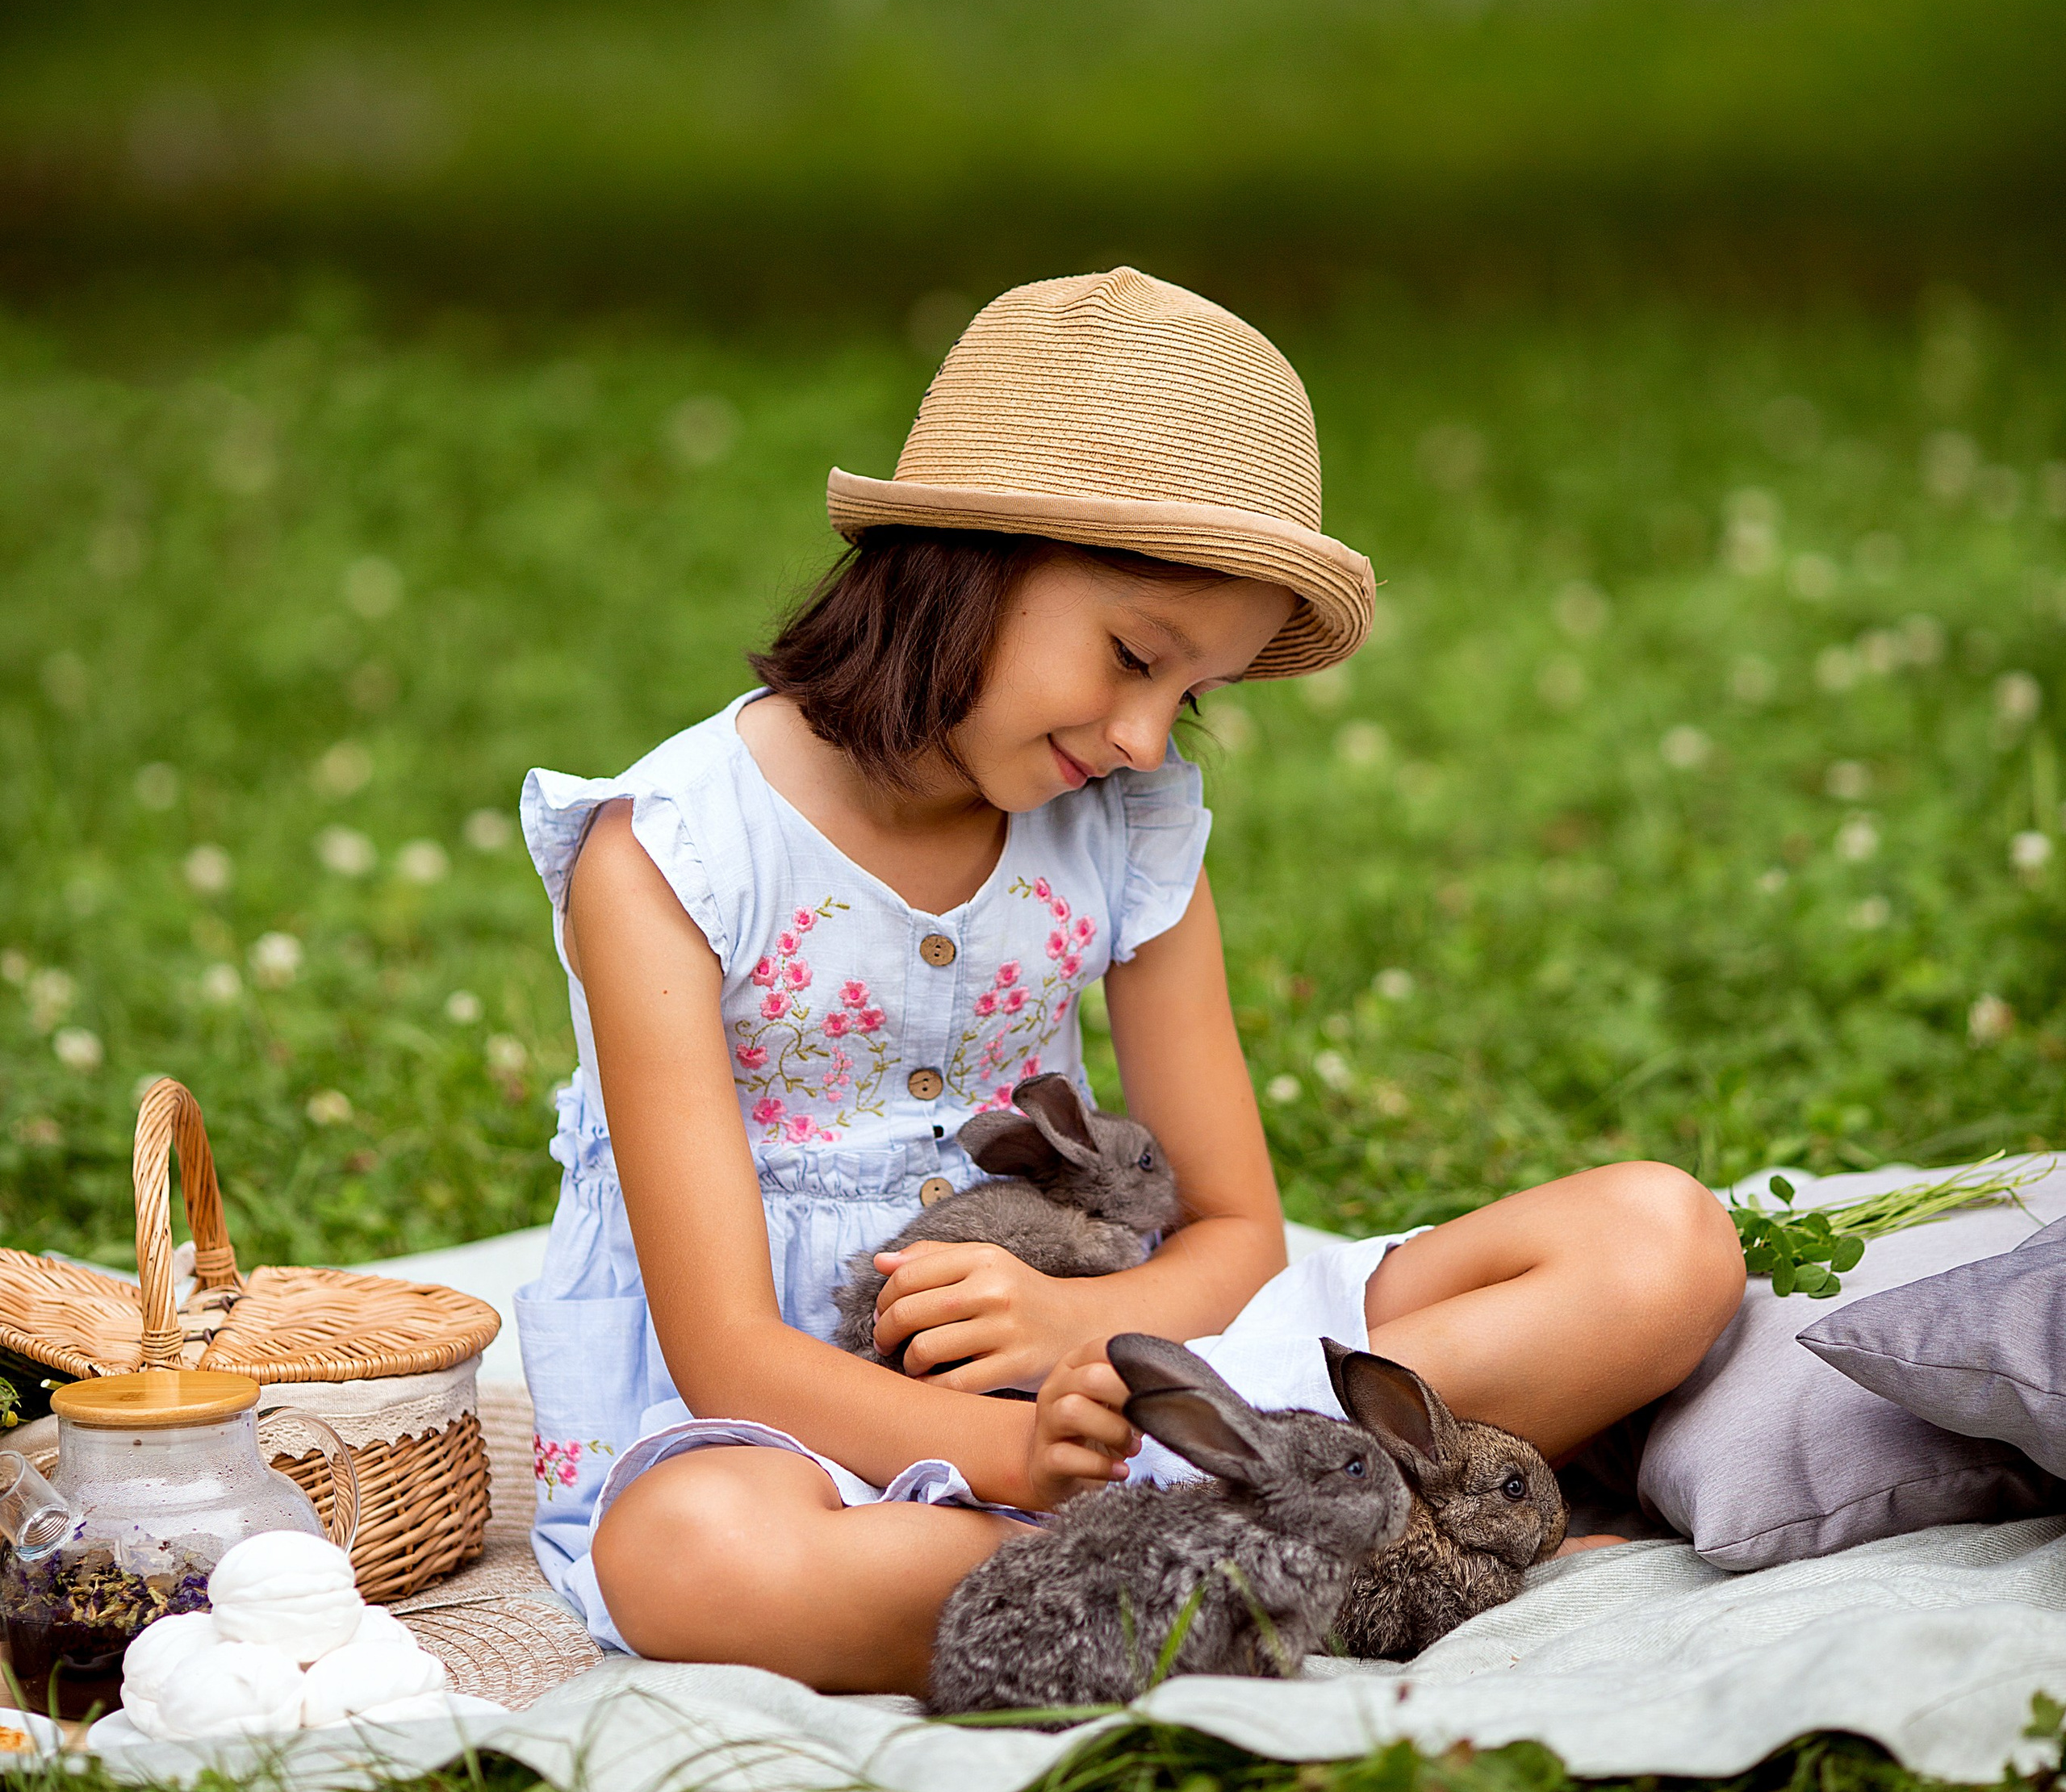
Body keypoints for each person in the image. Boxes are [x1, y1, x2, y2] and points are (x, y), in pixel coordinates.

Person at [516, 267, 1742, 1696]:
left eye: (1192, 694)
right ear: (969, 561)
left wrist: (1081, 1331)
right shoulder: (669, 853)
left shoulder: (1124, 829)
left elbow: (1233, 1227)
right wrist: (1012, 1450)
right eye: (1132, 657)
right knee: (702, 1562)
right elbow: (726, 1351)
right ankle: (1287, 1555)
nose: (1151, 737)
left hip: (1156, 1367)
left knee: (1663, 1244)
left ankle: (1219, 1540)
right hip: (801, 1420)